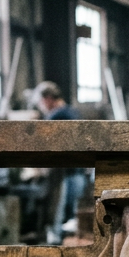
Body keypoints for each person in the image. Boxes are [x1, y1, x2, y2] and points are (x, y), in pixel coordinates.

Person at [33, 81, 88, 243]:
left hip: (63, 171)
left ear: (48, 98)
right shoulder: (73, 112)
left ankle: (57, 241)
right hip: (77, 170)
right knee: (72, 212)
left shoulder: (56, 116)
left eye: (41, 102)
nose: (41, 107)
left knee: (59, 212)